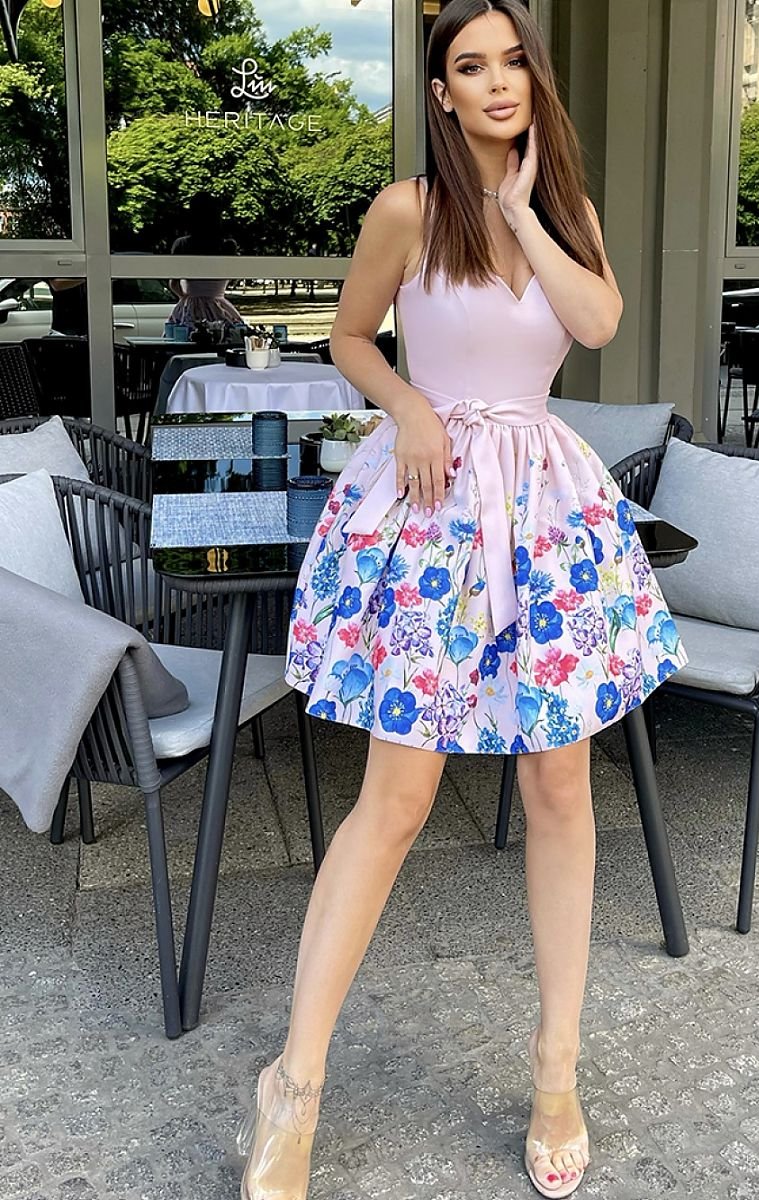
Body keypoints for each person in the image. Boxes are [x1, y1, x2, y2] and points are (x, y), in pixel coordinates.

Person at [240, 2, 688, 1197]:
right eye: (470, 67)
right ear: (441, 92)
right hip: (433, 508)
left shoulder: (567, 213)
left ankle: (556, 1070)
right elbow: (349, 337)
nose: (497, 83)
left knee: (559, 786)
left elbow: (597, 323)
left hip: (545, 512)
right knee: (396, 799)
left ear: (536, 77)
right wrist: (410, 407)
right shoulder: (407, 207)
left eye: (513, 62)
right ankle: (294, 1081)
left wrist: (523, 211)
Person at [166, 194, 244, 331]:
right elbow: (233, 276)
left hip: (189, 307)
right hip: (219, 305)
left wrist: (185, 297)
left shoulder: (182, 244)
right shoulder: (227, 246)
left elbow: (173, 283)